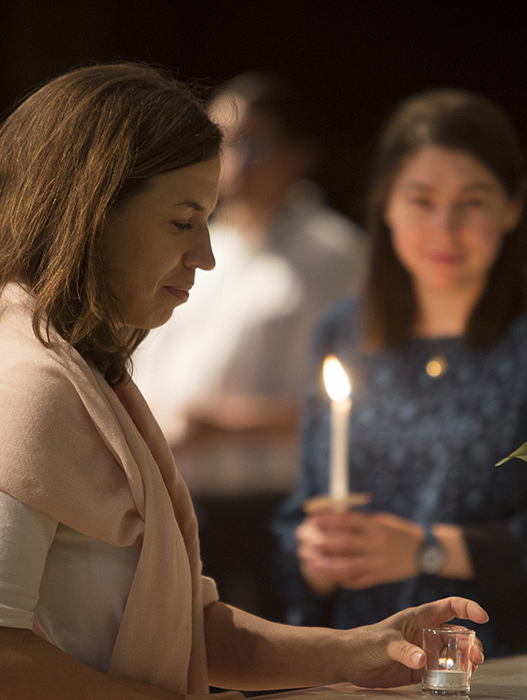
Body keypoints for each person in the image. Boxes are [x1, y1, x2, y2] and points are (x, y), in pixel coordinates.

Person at [0, 63, 487, 700]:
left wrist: (354, 652)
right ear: (93, 211)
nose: (204, 255)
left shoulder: (82, 375)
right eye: (182, 221)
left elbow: (185, 632)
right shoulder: (24, 383)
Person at [272, 89, 527, 657]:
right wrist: (314, 557)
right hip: (368, 657)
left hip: (510, 661)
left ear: (513, 207)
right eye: (421, 200)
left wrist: (427, 549)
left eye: (473, 202)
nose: (445, 227)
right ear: (386, 204)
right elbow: (302, 513)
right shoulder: (344, 330)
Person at [130, 72, 364, 621]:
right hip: (180, 495)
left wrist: (224, 425)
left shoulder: (333, 254)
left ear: (299, 154)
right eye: (222, 144)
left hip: (271, 506)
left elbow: (354, 398)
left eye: (254, 145)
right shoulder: (202, 239)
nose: (236, 163)